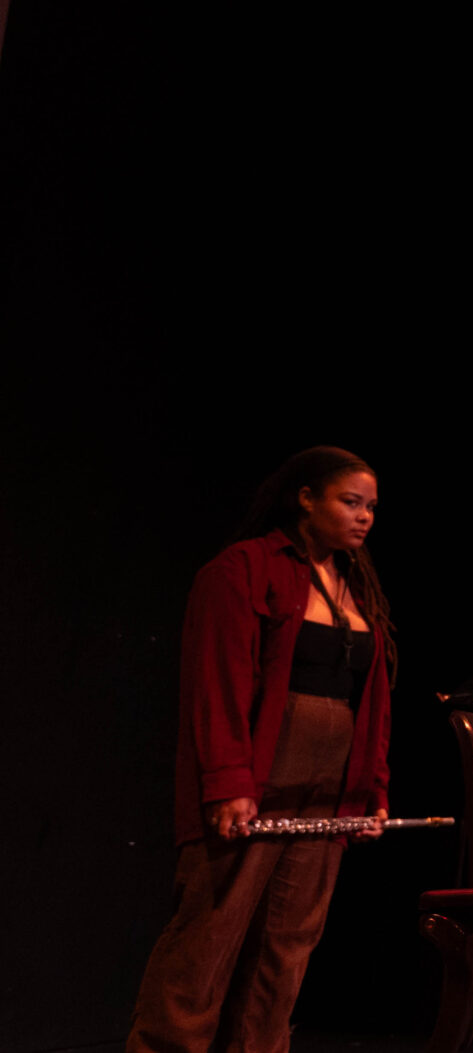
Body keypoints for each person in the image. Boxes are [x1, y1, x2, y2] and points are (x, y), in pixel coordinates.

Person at [128, 446, 394, 1053]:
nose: (364, 518)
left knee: (286, 947)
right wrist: (226, 783)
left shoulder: (358, 586)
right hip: (259, 775)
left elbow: (371, 702)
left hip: (328, 789)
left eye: (372, 507)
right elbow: (215, 684)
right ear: (305, 498)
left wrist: (368, 792)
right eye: (350, 503)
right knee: (209, 939)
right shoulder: (243, 569)